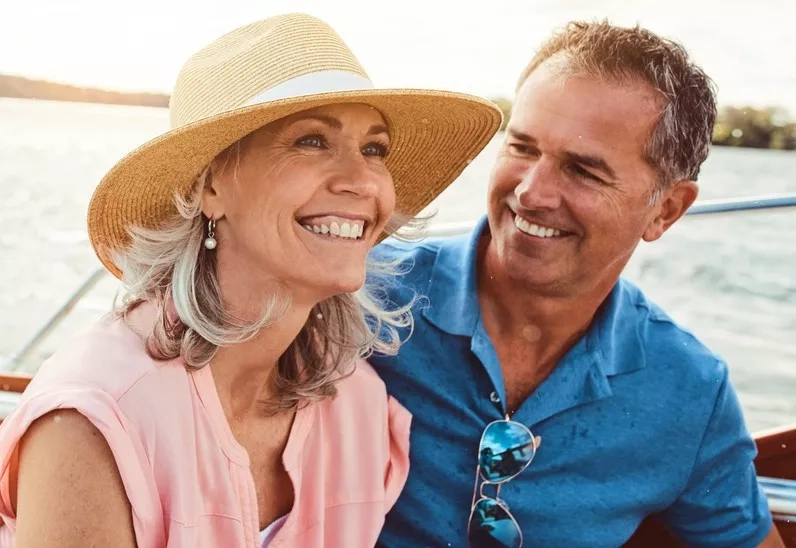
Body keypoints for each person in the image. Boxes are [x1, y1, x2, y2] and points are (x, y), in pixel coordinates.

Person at [0, 13, 501, 548]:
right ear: (210, 186)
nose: (360, 180)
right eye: (311, 141)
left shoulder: (359, 408)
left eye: (373, 149)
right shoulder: (96, 421)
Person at [369, 20, 785, 547]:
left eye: (584, 171)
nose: (532, 192)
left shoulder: (687, 389)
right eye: (522, 148)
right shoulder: (362, 299)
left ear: (667, 210)